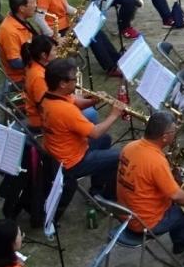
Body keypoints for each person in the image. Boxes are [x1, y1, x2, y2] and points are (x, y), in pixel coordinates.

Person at [116, 111, 184, 258]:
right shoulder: (156, 161)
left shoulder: (129, 147)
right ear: (165, 137)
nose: (175, 134)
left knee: (179, 204)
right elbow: (176, 196)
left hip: (125, 214)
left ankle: (180, 243)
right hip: (145, 223)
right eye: (174, 131)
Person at [39, 58, 123, 225]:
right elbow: (95, 133)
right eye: (73, 79)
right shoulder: (64, 111)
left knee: (106, 140)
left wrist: (94, 100)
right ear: (62, 84)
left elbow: (76, 102)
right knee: (120, 156)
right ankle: (106, 198)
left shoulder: (50, 97)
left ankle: (96, 189)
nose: (76, 82)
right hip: (71, 162)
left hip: (61, 151)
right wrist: (114, 114)